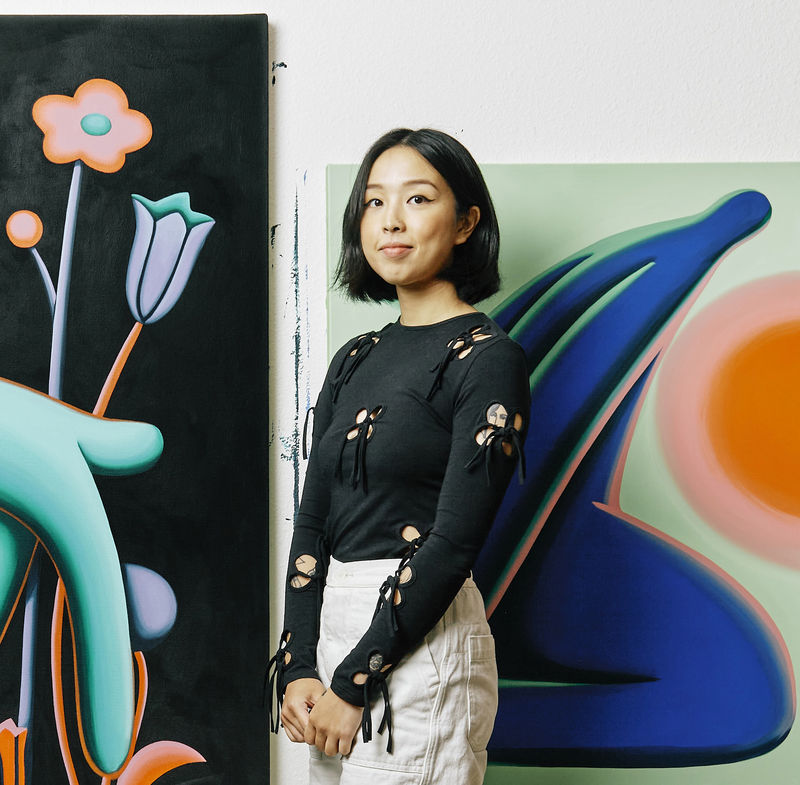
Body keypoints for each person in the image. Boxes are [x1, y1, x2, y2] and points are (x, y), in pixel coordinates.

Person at [267, 128, 530, 785]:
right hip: (336, 625)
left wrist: (357, 676)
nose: (390, 219)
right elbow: (313, 523)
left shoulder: (487, 358)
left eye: (417, 199)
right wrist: (300, 661)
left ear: (466, 221)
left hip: (420, 635)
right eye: (373, 201)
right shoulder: (355, 357)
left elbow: (453, 543)